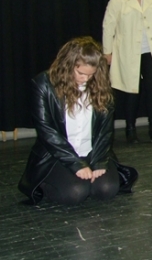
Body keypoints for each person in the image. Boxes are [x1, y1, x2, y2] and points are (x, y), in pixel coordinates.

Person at [18, 37, 138, 205]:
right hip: (57, 154)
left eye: (91, 74)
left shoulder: (100, 84)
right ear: (68, 65)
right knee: (75, 192)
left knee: (107, 189)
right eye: (80, 73)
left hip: (91, 151)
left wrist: (99, 161)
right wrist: (76, 164)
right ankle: (44, 182)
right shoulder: (44, 83)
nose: (86, 79)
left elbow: (105, 131)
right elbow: (47, 131)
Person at [102, 0, 152, 144]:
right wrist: (107, 52)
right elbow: (108, 25)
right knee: (131, 90)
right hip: (128, 52)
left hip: (150, 51)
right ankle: (130, 129)